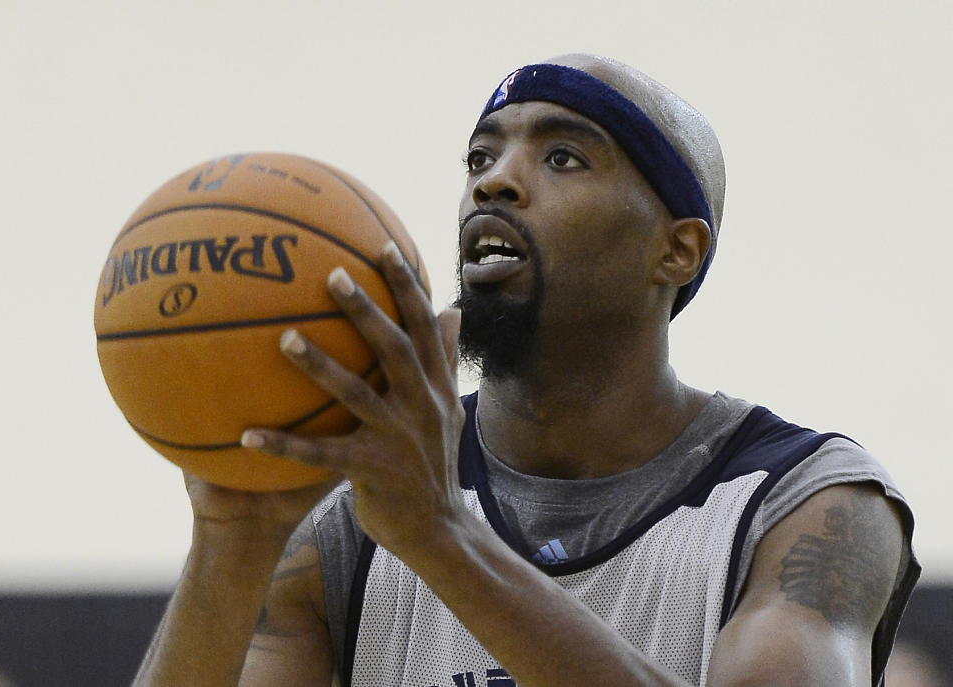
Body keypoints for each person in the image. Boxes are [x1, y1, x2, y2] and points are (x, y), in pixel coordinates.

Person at [132, 54, 919, 687]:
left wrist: (444, 538)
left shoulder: (804, 499)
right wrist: (226, 540)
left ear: (676, 249)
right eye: (480, 154)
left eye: (564, 156)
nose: (493, 179)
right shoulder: (351, 509)